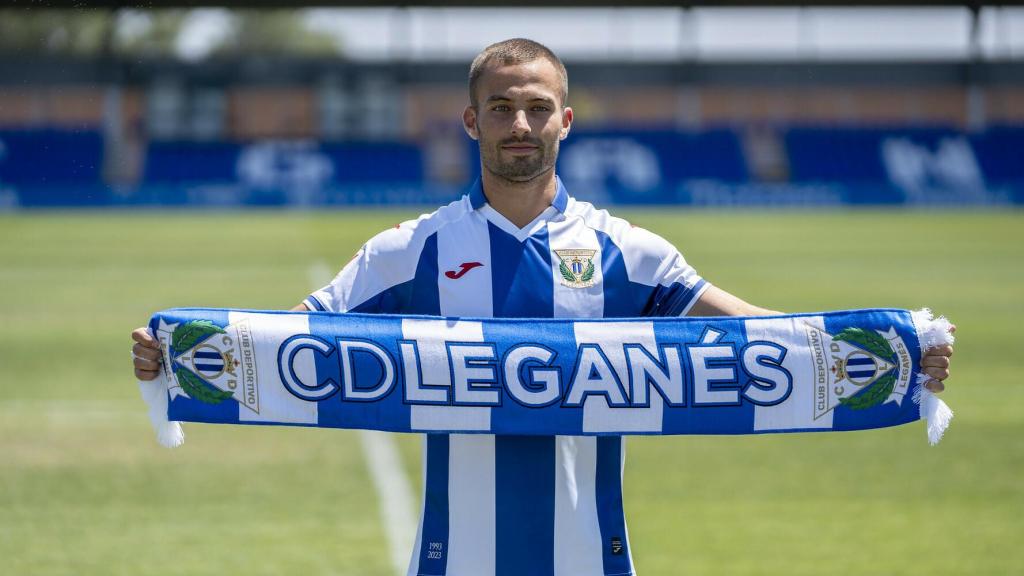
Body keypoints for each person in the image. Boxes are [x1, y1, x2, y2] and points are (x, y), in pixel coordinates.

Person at [131, 38, 954, 576]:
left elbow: (764, 339)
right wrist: (181, 355)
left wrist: (884, 356)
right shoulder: (407, 250)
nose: (518, 124)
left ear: (565, 118)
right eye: (500, 108)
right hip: (454, 559)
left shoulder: (629, 251)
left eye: (535, 108)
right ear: (469, 121)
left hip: (596, 556)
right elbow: (285, 343)